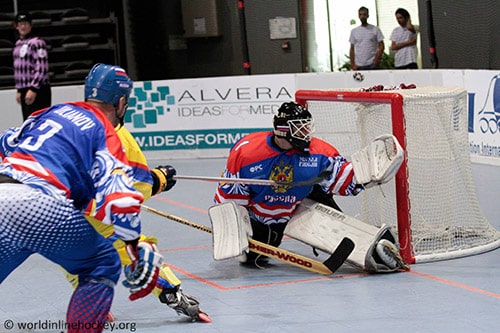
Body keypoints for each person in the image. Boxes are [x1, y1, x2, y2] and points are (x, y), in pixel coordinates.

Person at [0, 63, 162, 333]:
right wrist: (134, 246)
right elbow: (119, 199)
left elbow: (6, 142)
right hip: (39, 203)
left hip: (3, 193)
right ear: (121, 101)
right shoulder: (105, 131)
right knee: (103, 262)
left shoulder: (50, 112)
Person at [62, 64, 210, 323]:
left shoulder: (63, 118)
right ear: (121, 102)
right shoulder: (122, 140)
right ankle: (174, 295)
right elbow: (137, 191)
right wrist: (160, 179)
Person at [213, 102, 406, 272]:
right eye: (299, 128)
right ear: (283, 129)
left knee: (330, 213)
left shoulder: (319, 152)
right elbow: (230, 199)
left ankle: (371, 247)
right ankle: (259, 242)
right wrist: (235, 229)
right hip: (262, 216)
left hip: (302, 200)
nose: (305, 132)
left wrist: (367, 175)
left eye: (306, 127)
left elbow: (342, 179)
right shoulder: (246, 152)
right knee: (251, 258)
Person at [12, 12, 51, 121]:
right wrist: (19, 90)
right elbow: (18, 68)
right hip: (24, 89)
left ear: (30, 25)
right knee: (28, 122)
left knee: (39, 122)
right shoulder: (18, 44)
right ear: (16, 26)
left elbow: (42, 67)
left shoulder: (37, 42)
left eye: (25, 24)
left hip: (37, 89)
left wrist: (34, 88)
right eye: (20, 24)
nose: (23, 26)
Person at [349, 6, 385, 71]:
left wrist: (376, 60)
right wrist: (352, 64)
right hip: (359, 65)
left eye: (364, 14)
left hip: (372, 64)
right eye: (360, 14)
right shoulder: (354, 31)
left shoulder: (375, 29)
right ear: (358, 16)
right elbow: (352, 48)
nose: (362, 16)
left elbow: (381, 46)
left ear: (368, 16)